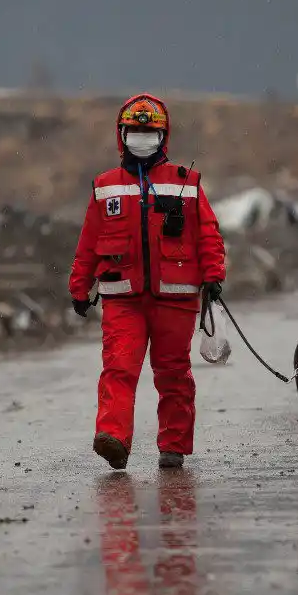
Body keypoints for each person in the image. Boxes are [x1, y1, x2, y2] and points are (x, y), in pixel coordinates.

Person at [69, 93, 226, 470]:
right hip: (122, 297)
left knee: (173, 374)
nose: (141, 137)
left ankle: (173, 446)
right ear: (120, 134)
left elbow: (208, 234)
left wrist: (214, 276)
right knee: (118, 368)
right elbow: (88, 242)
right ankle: (113, 438)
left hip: (176, 298)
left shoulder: (186, 184)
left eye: (149, 131)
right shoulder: (105, 185)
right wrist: (79, 286)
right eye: (134, 130)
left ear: (163, 136)